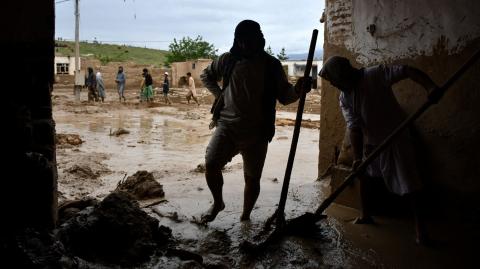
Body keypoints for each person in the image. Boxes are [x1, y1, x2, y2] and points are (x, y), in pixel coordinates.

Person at [318, 56, 438, 244]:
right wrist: (358, 158)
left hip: (396, 138)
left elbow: (407, 71)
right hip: (372, 141)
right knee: (363, 176)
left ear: (343, 74)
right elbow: (355, 128)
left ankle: (420, 229)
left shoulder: (374, 74)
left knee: (409, 183)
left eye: (334, 80)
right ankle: (366, 215)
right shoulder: (345, 97)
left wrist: (430, 87)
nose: (334, 84)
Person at [200, 20, 310, 223]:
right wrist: (220, 95)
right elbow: (205, 75)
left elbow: (285, 97)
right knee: (211, 164)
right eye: (242, 40)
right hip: (227, 127)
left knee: (252, 178)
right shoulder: (227, 60)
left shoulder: (271, 65)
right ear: (237, 41)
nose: (247, 44)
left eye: (251, 39)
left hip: (258, 132)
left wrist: (297, 90)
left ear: (260, 39)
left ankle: (245, 217)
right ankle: (218, 203)